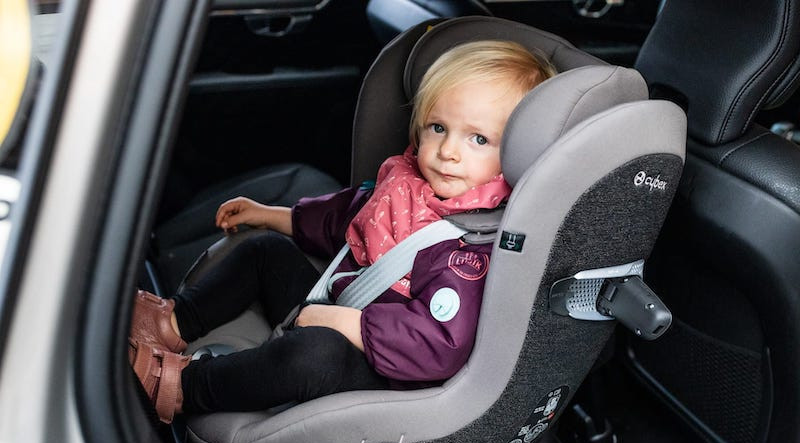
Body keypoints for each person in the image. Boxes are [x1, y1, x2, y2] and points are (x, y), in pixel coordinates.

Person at [128, 40, 557, 423]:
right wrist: (271, 215)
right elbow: (345, 218)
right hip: (337, 306)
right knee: (265, 251)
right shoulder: (407, 183)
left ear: (515, 155)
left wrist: (345, 322)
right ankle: (171, 323)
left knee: (313, 355)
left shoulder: (470, 249)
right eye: (438, 128)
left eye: (478, 140)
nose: (447, 151)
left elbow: (439, 343)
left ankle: (183, 388)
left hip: (382, 372)